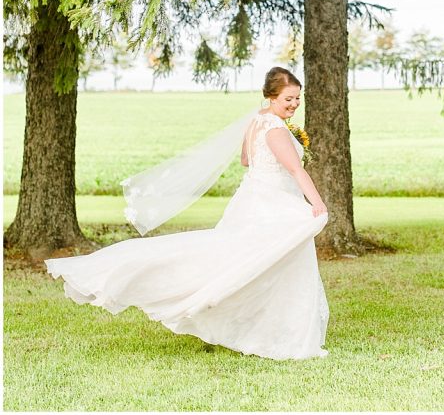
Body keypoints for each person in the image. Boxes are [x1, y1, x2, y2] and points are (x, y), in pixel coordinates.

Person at [46, 67, 331, 360]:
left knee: (246, 261)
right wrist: (317, 203)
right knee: (269, 261)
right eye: (288, 99)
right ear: (271, 97)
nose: (295, 104)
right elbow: (296, 170)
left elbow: (247, 160)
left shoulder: (256, 121)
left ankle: (259, 325)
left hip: (252, 198)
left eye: (298, 98)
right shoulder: (275, 129)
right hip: (272, 203)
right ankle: (274, 330)